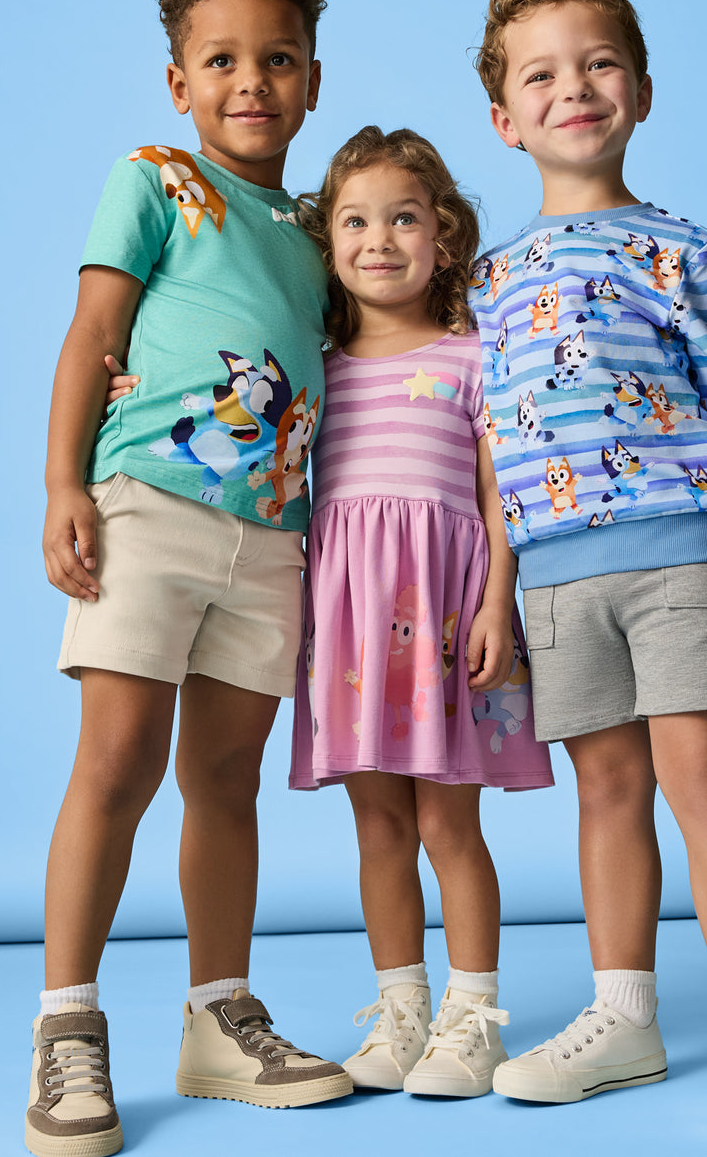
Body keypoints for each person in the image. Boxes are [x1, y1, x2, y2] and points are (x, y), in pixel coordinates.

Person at [30, 0, 352, 1157]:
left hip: (272, 535)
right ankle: (67, 1026)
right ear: (181, 83)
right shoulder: (159, 178)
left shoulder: (323, 231)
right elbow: (91, 329)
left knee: (226, 779)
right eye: (221, 61)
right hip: (149, 509)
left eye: (278, 58)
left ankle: (220, 1013)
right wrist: (64, 479)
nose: (251, 81)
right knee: (116, 761)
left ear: (312, 77)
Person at [470, 0, 707, 1130]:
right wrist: (496, 597)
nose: (576, 88)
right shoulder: (486, 282)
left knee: (703, 776)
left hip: (682, 557)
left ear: (642, 91)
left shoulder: (684, 252)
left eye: (600, 63)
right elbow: (484, 446)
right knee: (604, 789)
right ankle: (626, 1016)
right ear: (504, 118)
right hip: (557, 578)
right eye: (542, 74)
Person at [288, 125, 554, 1098]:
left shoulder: (472, 354)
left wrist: (495, 602)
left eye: (404, 217)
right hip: (351, 627)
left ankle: (470, 1019)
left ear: (442, 234)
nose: (379, 238)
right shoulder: (316, 364)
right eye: (354, 221)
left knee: (450, 826)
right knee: (377, 830)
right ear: (328, 245)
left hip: (442, 617)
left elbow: (497, 497)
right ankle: (401, 1014)